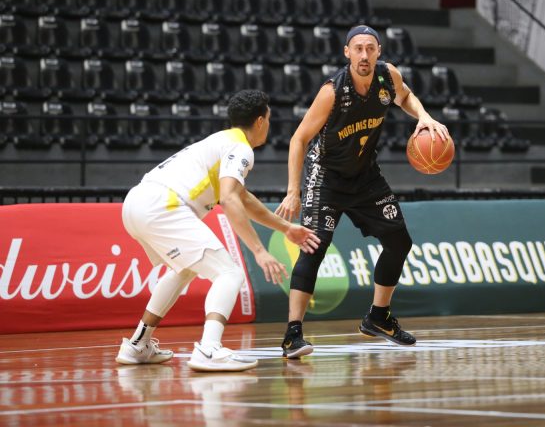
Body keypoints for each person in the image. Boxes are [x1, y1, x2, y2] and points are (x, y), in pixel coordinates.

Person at [275, 25, 449, 358]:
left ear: (378, 51)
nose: (364, 55)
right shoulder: (332, 91)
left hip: (365, 176)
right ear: (347, 53)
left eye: (370, 48)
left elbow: (405, 97)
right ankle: (292, 334)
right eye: (358, 48)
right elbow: (299, 139)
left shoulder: (388, 77)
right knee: (313, 248)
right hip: (326, 177)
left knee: (399, 241)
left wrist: (423, 116)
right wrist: (293, 190)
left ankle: (378, 317)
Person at [116, 90, 320, 372]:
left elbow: (243, 198)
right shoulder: (241, 148)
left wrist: (285, 227)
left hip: (136, 203)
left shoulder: (221, 141)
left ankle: (138, 344)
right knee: (229, 273)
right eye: (269, 119)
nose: (269, 125)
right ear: (260, 121)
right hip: (163, 205)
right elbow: (229, 198)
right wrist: (259, 251)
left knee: (182, 270)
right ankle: (209, 349)